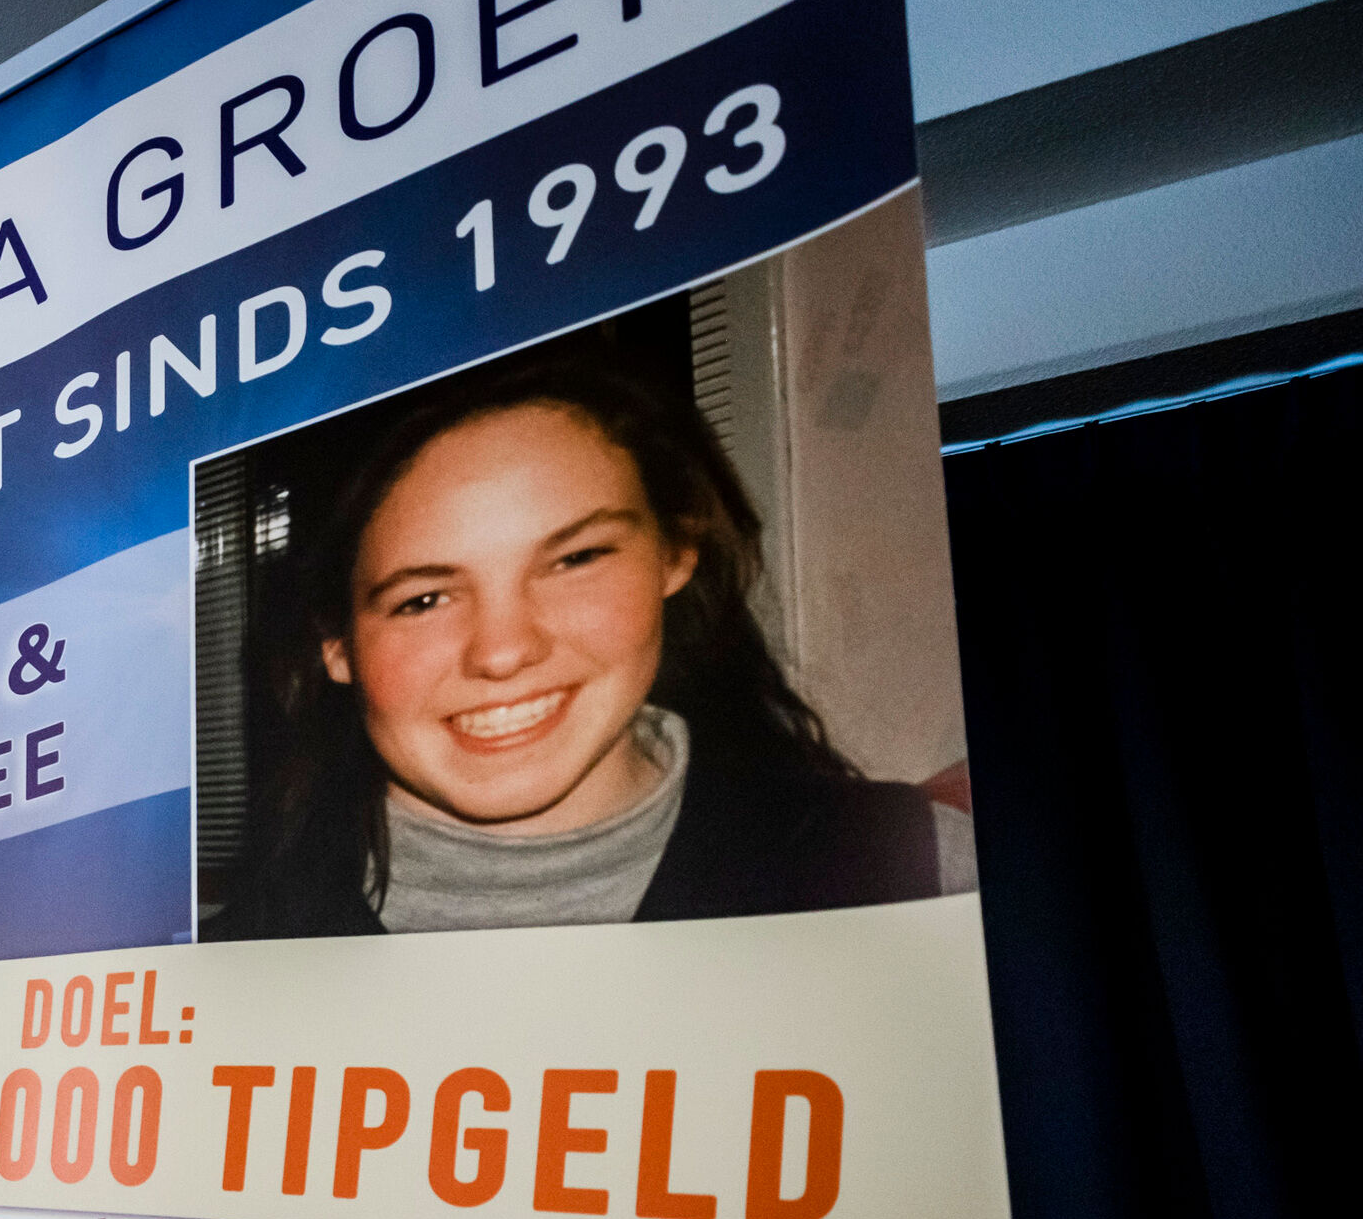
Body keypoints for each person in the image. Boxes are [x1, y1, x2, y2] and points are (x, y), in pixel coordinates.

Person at [219, 351, 971, 939]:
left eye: (575, 560)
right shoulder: (228, 962)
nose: (503, 652)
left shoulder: (918, 873)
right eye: (423, 600)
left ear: (675, 553)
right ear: (336, 645)